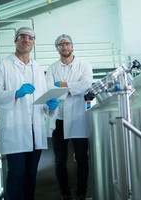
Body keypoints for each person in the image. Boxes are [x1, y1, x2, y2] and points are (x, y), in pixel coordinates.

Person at [0, 27, 59, 200]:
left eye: (31, 37)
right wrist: (15, 93)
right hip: (15, 131)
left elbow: (40, 99)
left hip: (35, 130)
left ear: (33, 42)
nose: (27, 40)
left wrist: (51, 106)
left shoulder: (37, 68)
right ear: (15, 40)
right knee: (16, 174)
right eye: (23, 36)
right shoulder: (1, 65)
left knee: (31, 174)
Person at [46, 34, 93, 200]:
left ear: (72, 46)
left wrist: (64, 86)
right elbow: (49, 87)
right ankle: (65, 193)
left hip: (79, 117)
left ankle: (82, 191)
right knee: (60, 159)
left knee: (81, 158)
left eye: (67, 44)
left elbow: (86, 84)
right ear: (57, 48)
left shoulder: (84, 65)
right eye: (61, 44)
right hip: (59, 118)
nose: (64, 47)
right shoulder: (52, 68)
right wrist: (72, 88)